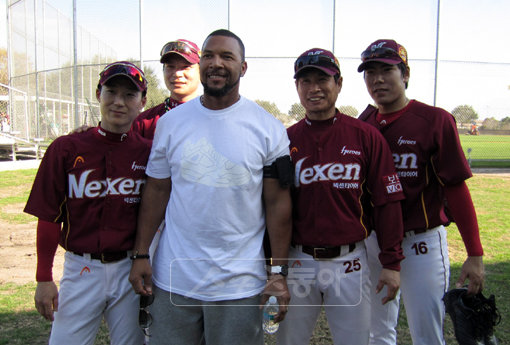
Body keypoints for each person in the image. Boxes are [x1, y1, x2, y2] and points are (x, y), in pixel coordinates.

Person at [128, 29, 292, 345]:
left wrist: (278, 274)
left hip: (239, 285)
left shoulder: (267, 128)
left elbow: (277, 205)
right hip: (175, 278)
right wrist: (140, 253)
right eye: (209, 55)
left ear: (243, 68)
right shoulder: (171, 123)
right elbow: (157, 190)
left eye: (227, 56)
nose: (216, 63)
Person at [357, 39, 485, 345]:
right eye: (370, 72)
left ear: (405, 74)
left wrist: (475, 253)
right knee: (378, 331)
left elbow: (455, 189)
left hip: (421, 243)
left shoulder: (434, 120)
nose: (377, 79)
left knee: (426, 333)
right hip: (375, 242)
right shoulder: (362, 125)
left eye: (386, 70)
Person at [276, 48, 405, 345]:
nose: (314, 88)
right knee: (289, 341)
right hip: (299, 259)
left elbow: (387, 202)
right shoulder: (284, 139)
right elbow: (273, 207)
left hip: (350, 261)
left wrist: (391, 262)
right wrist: (275, 266)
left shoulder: (365, 135)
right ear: (297, 87)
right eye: (305, 81)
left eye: (322, 79)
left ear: (339, 83)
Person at [24, 61, 150, 345]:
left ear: (142, 102)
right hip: (81, 268)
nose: (118, 102)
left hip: (129, 268)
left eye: (129, 95)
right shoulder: (66, 148)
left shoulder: (148, 152)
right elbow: (48, 216)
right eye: (111, 92)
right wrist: (43, 277)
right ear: (98, 94)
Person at [132, 39, 201, 140]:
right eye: (170, 67)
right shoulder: (145, 122)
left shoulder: (214, 117)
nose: (177, 73)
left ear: (201, 71)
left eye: (185, 67)